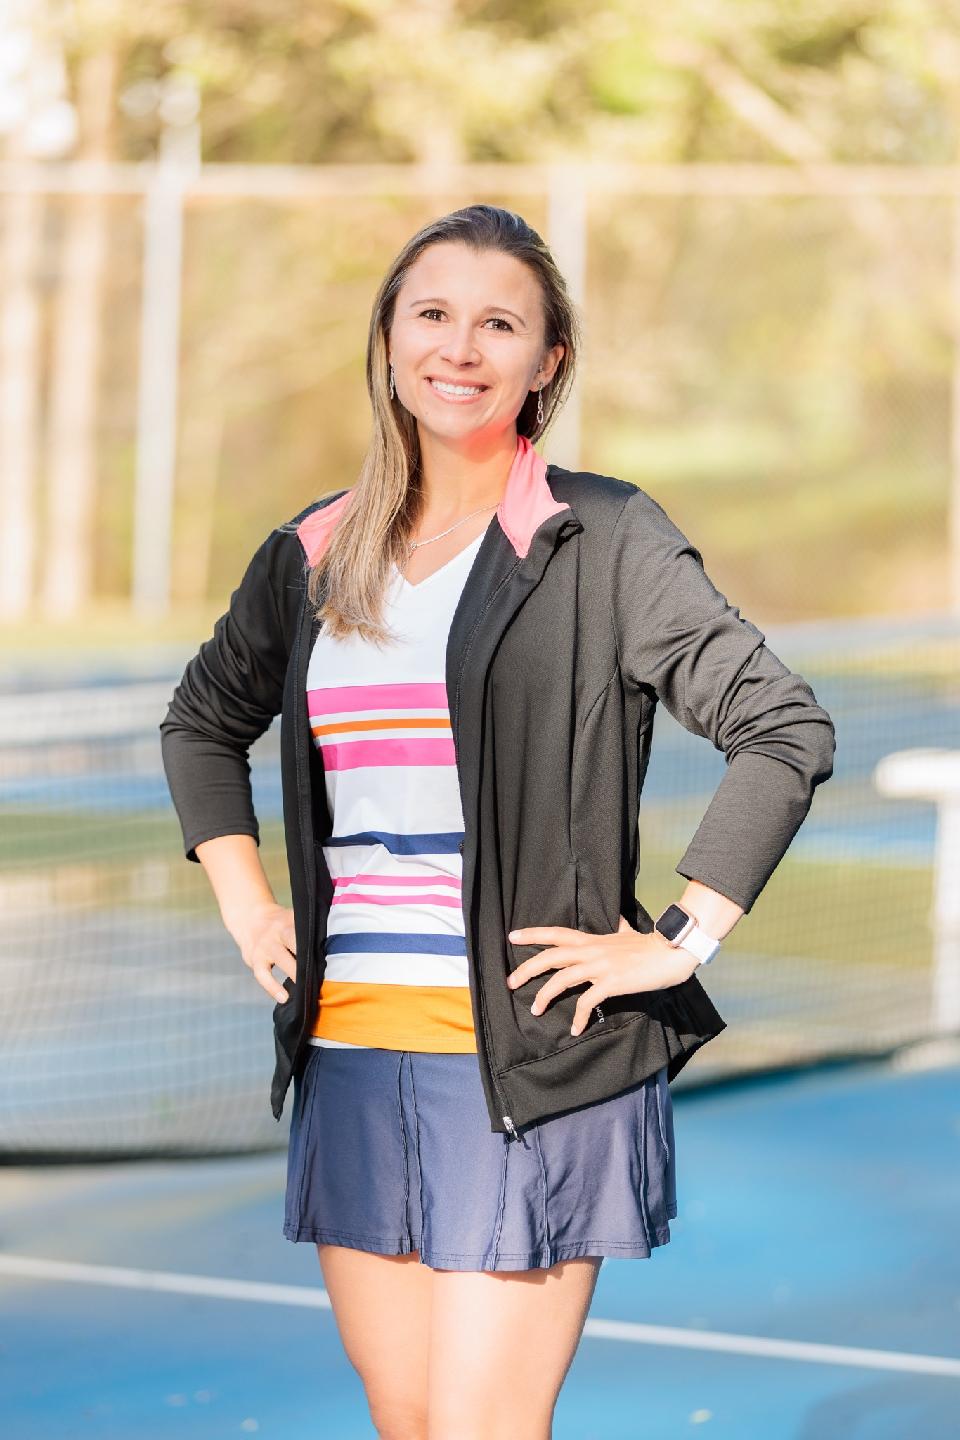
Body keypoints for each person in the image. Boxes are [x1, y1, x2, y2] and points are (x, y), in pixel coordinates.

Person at [160, 203, 836, 1440]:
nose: (459, 348)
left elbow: (783, 729)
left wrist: (680, 939)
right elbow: (202, 723)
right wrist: (248, 904)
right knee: (410, 1420)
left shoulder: (604, 537)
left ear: (547, 363)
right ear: (389, 339)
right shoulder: (313, 551)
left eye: (498, 324)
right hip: (352, 1052)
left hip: (528, 1059)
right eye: (432, 314)